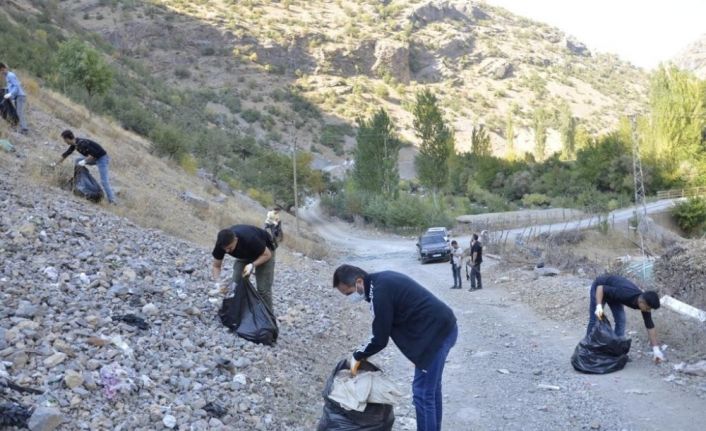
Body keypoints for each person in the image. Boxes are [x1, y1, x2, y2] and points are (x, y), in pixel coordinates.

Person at [332, 265, 457, 431]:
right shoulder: (379, 282)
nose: (350, 298)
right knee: (430, 391)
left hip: (436, 335)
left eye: (348, 293)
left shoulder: (380, 292)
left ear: (359, 281)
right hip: (442, 328)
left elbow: (379, 338)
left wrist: (357, 355)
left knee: (422, 393)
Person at [587, 274, 665, 363]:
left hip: (613, 293)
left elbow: (650, 325)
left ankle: (616, 352)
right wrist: (599, 306)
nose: (648, 310)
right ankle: (588, 350)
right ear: (642, 302)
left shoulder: (643, 303)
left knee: (621, 320)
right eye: (647, 308)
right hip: (600, 288)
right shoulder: (626, 294)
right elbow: (600, 288)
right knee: (596, 319)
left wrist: (656, 350)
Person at [212, 224, 277, 313]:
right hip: (245, 253)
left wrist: (252, 265)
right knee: (236, 284)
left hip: (265, 251)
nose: (227, 251)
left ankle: (268, 317)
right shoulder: (221, 245)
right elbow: (216, 266)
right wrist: (218, 282)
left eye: (229, 248)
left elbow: (267, 254)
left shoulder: (250, 238)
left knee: (263, 289)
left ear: (236, 240)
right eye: (225, 249)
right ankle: (239, 312)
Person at [54, 130, 116, 204]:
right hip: (93, 158)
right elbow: (66, 154)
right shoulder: (75, 144)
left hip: (102, 159)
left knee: (104, 181)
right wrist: (56, 164)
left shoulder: (82, 143)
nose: (64, 141)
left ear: (67, 138)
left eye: (64, 139)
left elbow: (93, 155)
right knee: (78, 161)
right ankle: (79, 180)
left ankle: (112, 201)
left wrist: (84, 162)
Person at [0, 62, 28, 133]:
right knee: (18, 112)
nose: (1, 73)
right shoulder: (7, 76)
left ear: (3, 69)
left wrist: (10, 94)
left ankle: (24, 129)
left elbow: (16, 87)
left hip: (20, 96)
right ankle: (22, 127)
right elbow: (12, 85)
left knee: (19, 112)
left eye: (1, 71)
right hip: (17, 97)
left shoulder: (10, 75)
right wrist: (5, 89)